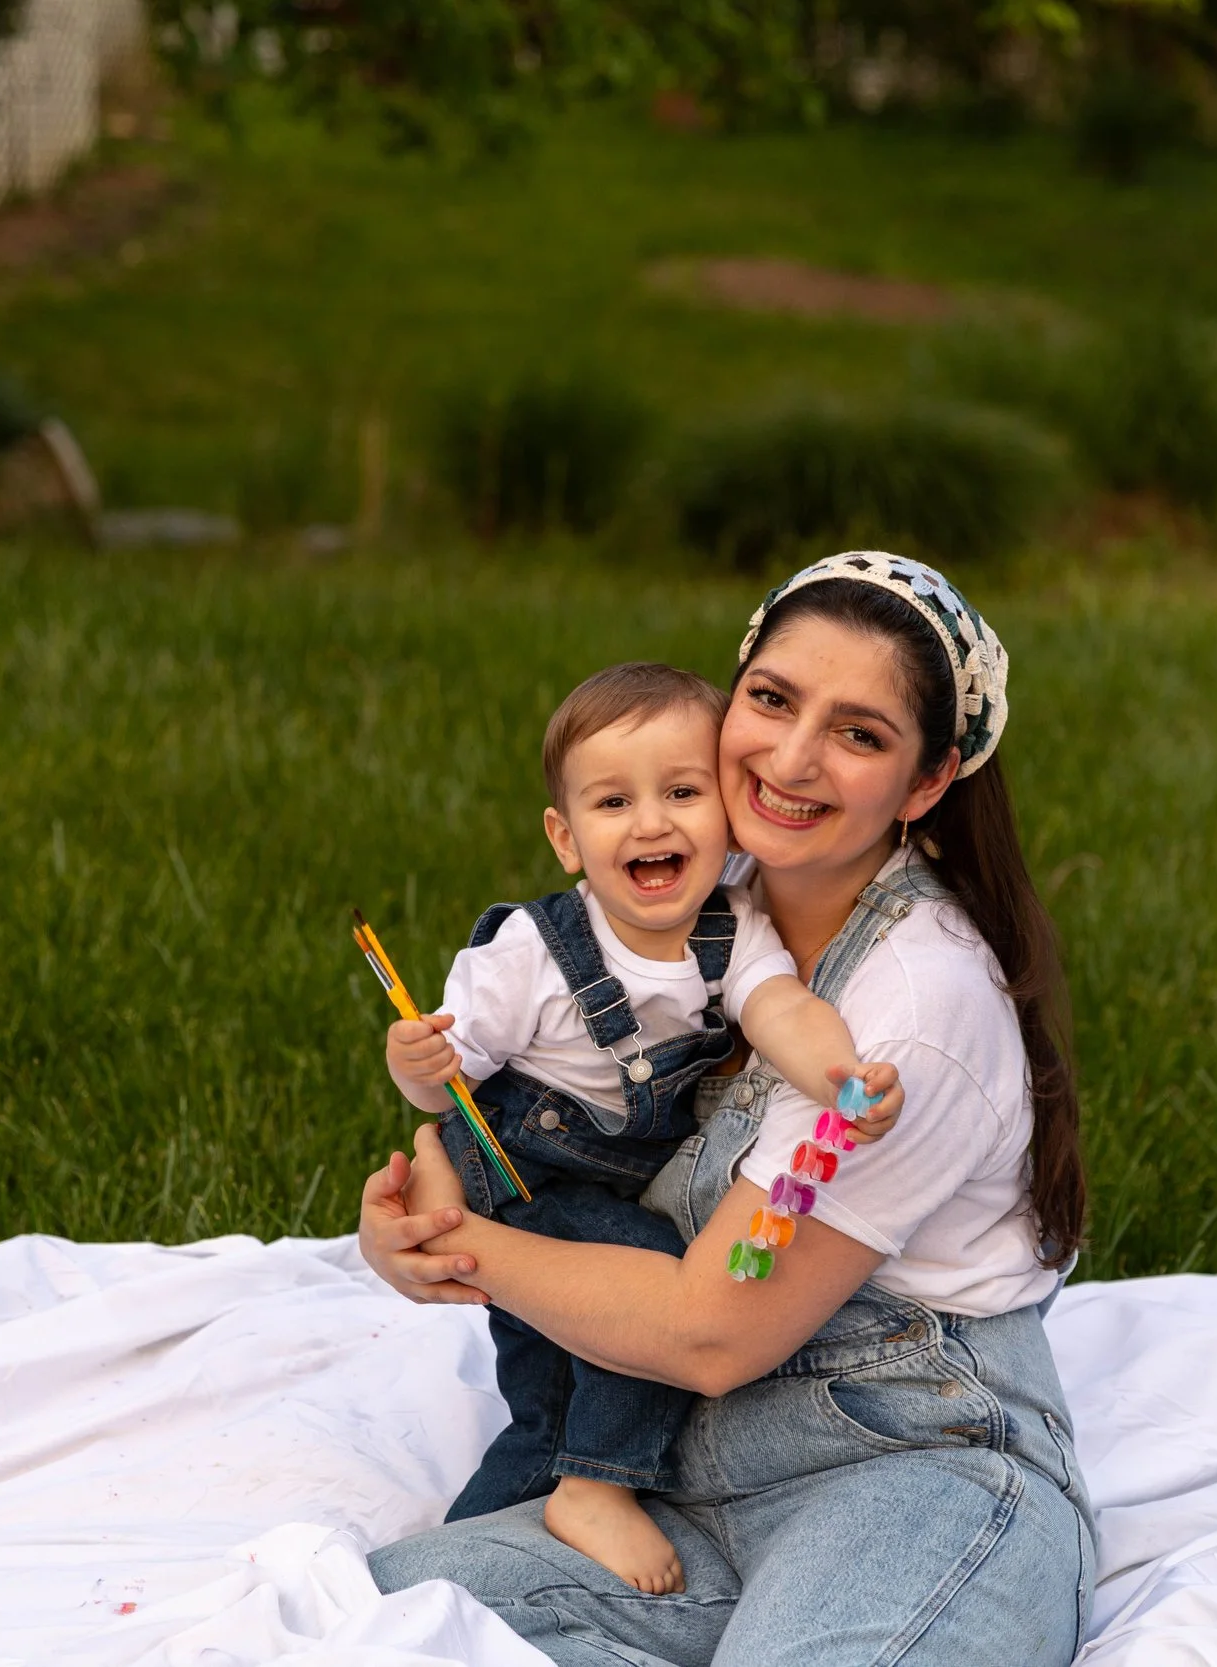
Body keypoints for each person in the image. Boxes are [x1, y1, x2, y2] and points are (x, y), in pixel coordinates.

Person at [361, 551, 1096, 1667]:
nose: (790, 758)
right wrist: (417, 1207)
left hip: (904, 1462)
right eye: (771, 699)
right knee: (382, 1613)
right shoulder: (705, 898)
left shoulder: (913, 1006)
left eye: (858, 734)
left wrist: (467, 1250)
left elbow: (715, 1324)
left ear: (928, 780)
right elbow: (526, 1075)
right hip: (684, 1466)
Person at [381, 660, 904, 1595]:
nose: (653, 821)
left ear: (724, 812)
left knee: (547, 1395)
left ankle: (451, 1578)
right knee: (645, 1282)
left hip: (611, 1169)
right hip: (523, 1167)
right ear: (566, 837)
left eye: (682, 791)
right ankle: (596, 1486)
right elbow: (446, 1079)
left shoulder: (731, 928)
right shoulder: (529, 954)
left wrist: (841, 1078)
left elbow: (781, 1009)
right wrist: (416, 1071)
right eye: (614, 801)